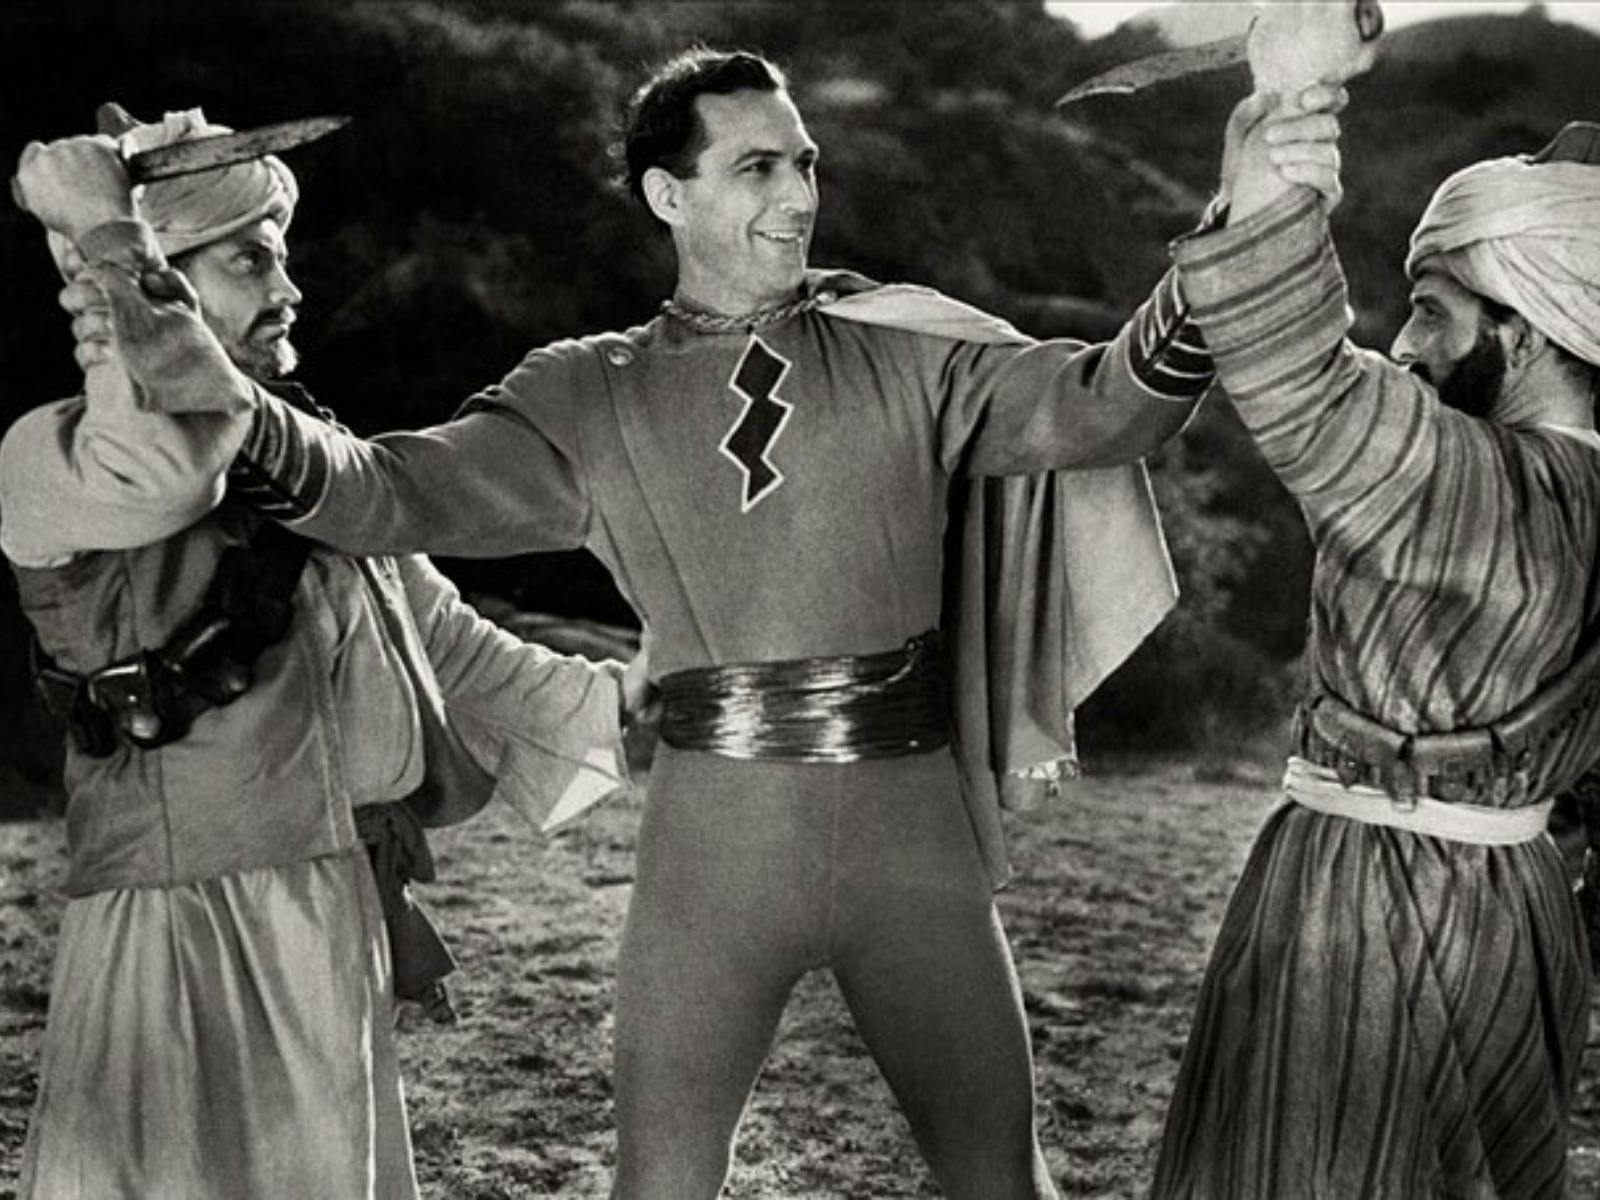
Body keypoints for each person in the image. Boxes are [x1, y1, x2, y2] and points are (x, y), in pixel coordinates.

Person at [29, 55, 1341, 1197]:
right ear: (668, 194)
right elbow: (370, 493)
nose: (799, 193)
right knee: (660, 1185)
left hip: (914, 837)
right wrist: (134, 279)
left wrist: (1239, 215)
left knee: (1002, 1175)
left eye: (805, 161)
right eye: (756, 165)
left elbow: (1114, 406)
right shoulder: (586, 394)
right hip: (713, 848)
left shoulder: (912, 349)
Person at [3, 105, 635, 1199]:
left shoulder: (306, 465)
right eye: (252, 260)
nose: (288, 289)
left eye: (280, 255)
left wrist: (636, 702)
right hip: (180, 922)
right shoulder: (48, 458)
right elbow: (167, 464)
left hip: (327, 904)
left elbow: (446, 646)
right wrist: (109, 240)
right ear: (152, 278)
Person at [1151, 96, 1600, 1198]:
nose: (1404, 345)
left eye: (1433, 313)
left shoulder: (1437, 469)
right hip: (1526, 912)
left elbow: (1296, 362)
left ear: (1525, 332)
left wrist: (1279, 139)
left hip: (1354, 897)